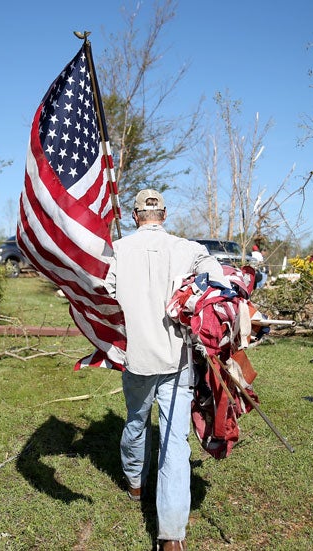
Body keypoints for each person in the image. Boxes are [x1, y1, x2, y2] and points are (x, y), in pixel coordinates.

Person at [105, 189, 227, 551]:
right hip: (177, 359)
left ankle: (135, 482)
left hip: (138, 357)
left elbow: (106, 296)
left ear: (134, 214)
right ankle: (172, 536)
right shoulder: (188, 249)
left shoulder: (118, 250)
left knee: (136, 421)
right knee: (174, 444)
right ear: (165, 214)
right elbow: (216, 278)